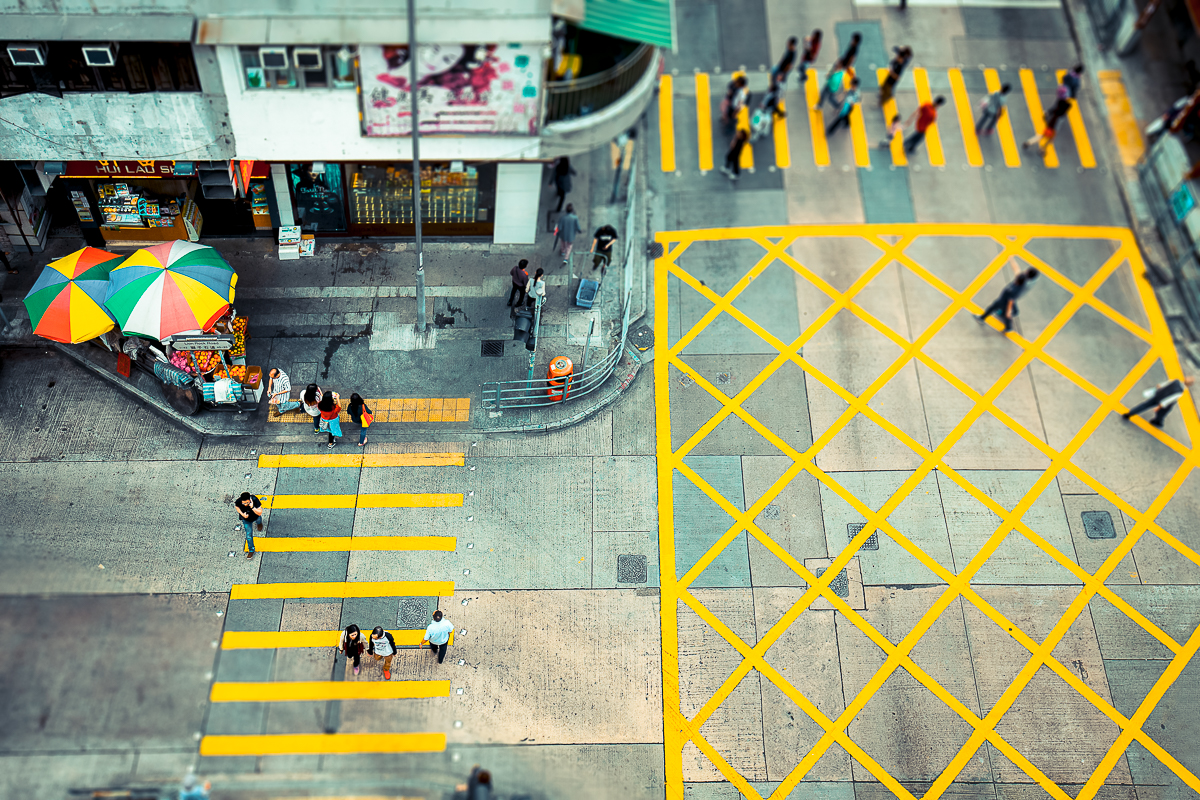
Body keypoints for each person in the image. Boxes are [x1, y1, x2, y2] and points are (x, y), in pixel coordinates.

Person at [976, 266, 1039, 332]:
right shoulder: (1027, 281)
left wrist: (1008, 312)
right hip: (1011, 298)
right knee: (1008, 310)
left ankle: (981, 318)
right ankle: (1013, 314)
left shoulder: (1014, 289)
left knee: (993, 308)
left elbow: (1010, 301)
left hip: (1003, 300)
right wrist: (1011, 260)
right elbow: (1016, 269)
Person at [1123, 377, 1195, 428]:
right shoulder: (1180, 392)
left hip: (1158, 395)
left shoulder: (1176, 381)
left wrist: (1159, 387)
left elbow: (1164, 384)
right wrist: (1159, 406)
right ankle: (1157, 421)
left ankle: (1129, 413)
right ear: (1189, 385)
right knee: (1162, 414)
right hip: (1163, 404)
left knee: (1144, 405)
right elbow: (1168, 400)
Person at [235, 492, 262, 559]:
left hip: (255, 516)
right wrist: (242, 514)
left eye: (247, 503)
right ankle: (251, 550)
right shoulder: (239, 501)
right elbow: (236, 507)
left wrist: (252, 507)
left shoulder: (255, 499)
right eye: (243, 503)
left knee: (259, 520)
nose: (245, 504)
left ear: (250, 500)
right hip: (246, 519)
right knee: (248, 535)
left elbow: (260, 512)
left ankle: (259, 524)